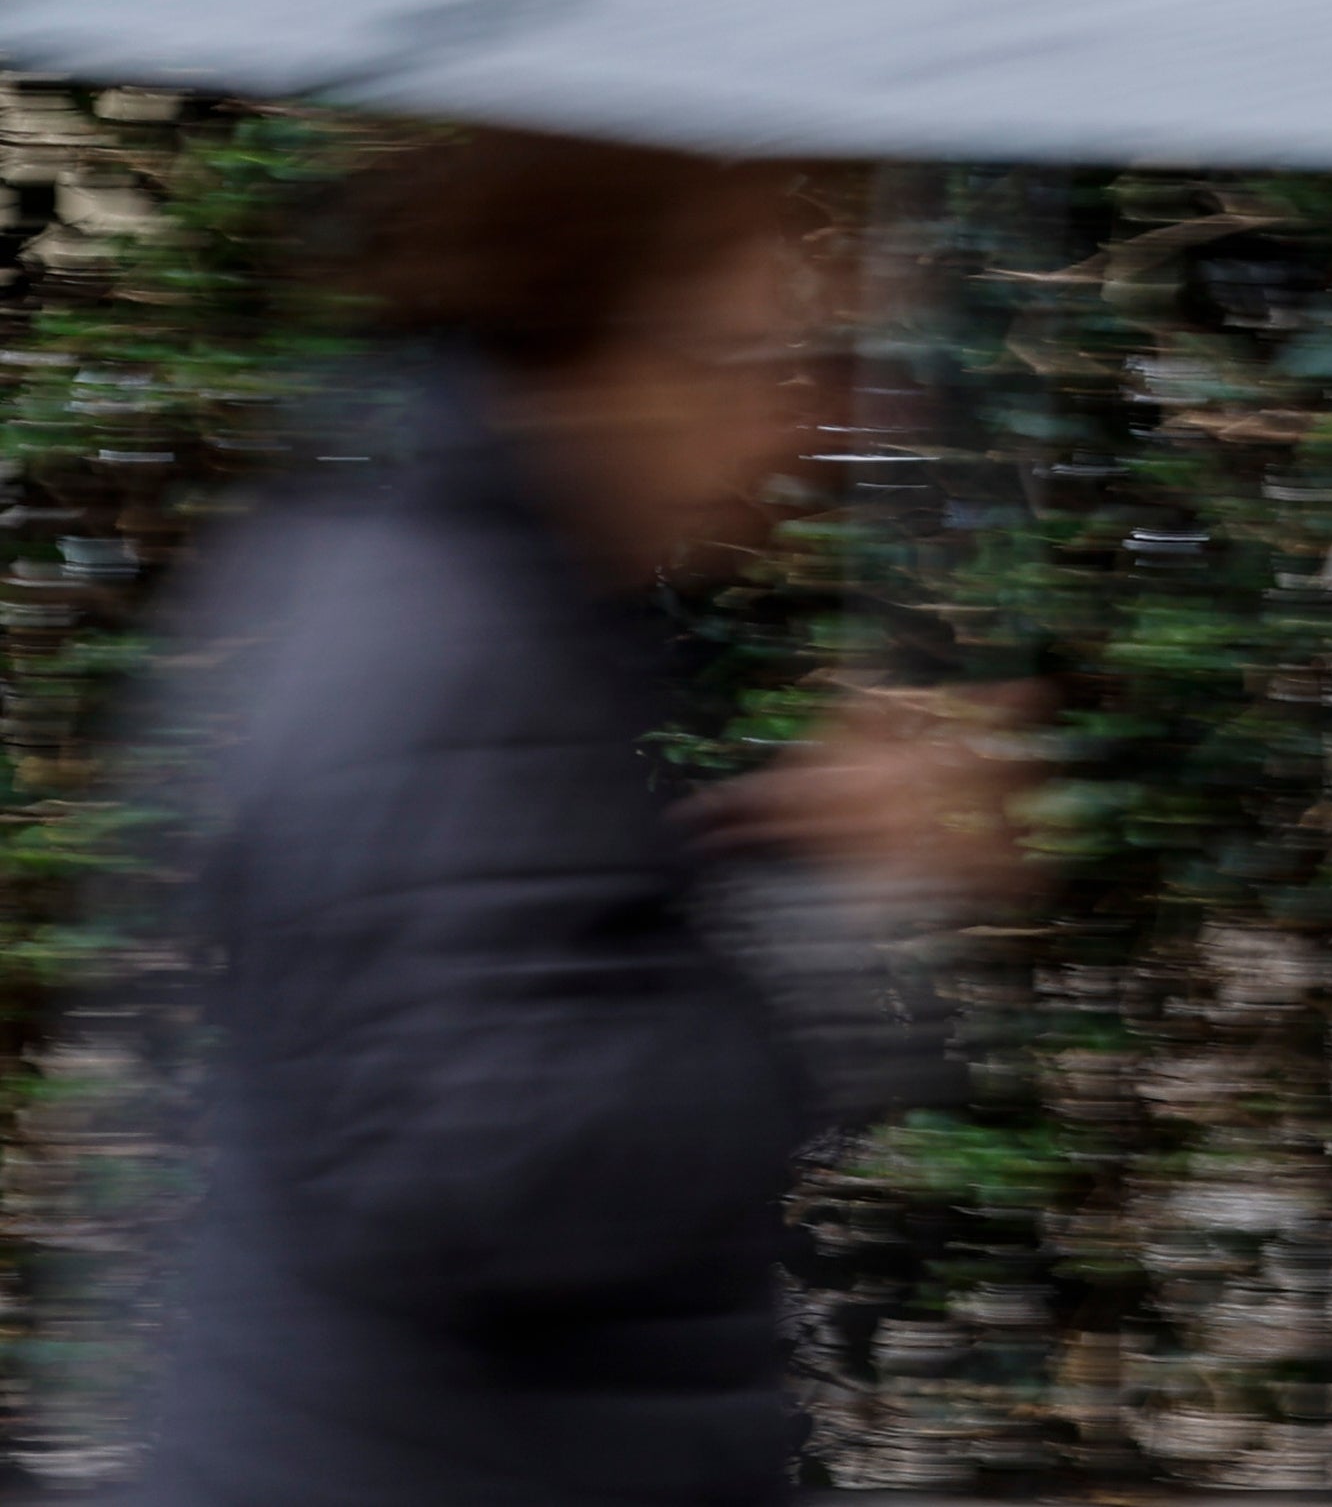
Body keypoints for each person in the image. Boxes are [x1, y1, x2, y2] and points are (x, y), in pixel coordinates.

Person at [128, 128, 1034, 1507]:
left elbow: (508, 988)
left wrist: (770, 861)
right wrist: (847, 914)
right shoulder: (450, 634)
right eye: (749, 351)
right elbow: (482, 1163)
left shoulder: (474, 585)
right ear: (609, 346)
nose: (797, 422)